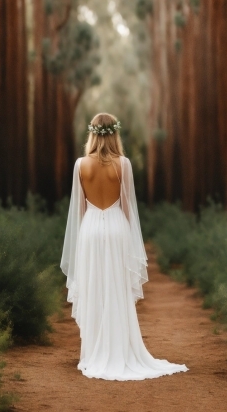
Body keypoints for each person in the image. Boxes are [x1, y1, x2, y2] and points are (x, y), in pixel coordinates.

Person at [60, 112, 188, 381]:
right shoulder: (124, 164)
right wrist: (131, 240)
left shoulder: (80, 165)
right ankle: (119, 349)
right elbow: (129, 208)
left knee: (96, 287)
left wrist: (91, 231)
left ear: (92, 134)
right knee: (116, 288)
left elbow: (80, 209)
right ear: (115, 134)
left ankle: (93, 353)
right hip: (117, 227)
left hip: (91, 230)